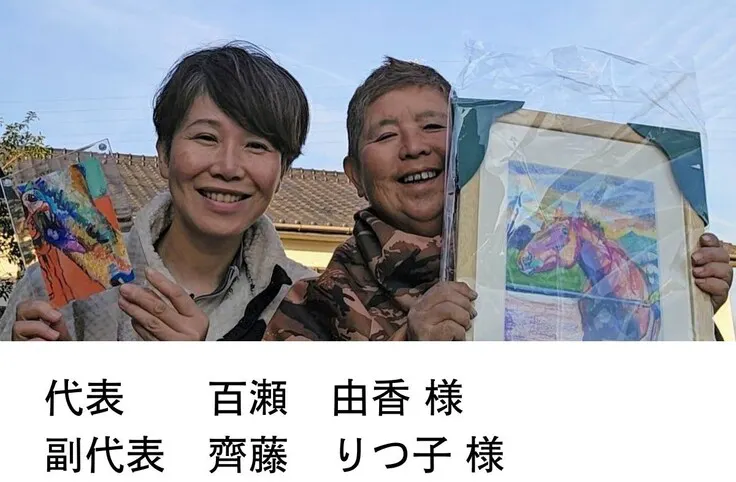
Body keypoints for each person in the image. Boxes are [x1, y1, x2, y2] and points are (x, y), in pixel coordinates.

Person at [263, 57, 734, 341]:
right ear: (354, 175)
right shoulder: (318, 303)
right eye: (386, 135)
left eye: (433, 126)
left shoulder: (520, 249)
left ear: (469, 144)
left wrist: (686, 307)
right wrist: (409, 351)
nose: (414, 146)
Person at [0, 41, 317, 341]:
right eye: (206, 137)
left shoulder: (311, 305)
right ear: (164, 155)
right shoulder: (50, 282)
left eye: (257, 145)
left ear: (282, 171)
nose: (228, 167)